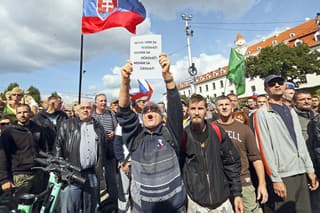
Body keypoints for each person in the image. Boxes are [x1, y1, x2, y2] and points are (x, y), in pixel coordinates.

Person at [116, 54, 186, 212]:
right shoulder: (135, 137)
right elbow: (124, 112)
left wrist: (168, 78)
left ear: (162, 118)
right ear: (141, 117)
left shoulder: (171, 133)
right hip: (143, 208)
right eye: (146, 110)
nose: (149, 112)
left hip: (175, 207)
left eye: (155, 110)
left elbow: (175, 107)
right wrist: (125, 80)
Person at [253, 74, 319, 212]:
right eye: (272, 84)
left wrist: (310, 170)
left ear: (284, 86)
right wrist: (275, 178)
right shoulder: (262, 113)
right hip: (284, 174)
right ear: (266, 89)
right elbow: (264, 148)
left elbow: (300, 142)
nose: (277, 85)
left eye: (279, 82)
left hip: (301, 170)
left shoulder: (290, 111)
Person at [182, 93, 244, 213]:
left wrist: (237, 194)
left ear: (206, 110)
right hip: (196, 203)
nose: (196, 112)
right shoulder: (184, 136)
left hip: (222, 201)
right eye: (193, 109)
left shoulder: (217, 132)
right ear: (188, 111)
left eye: (200, 108)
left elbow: (232, 163)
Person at [215, 96, 268, 213]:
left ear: (232, 107)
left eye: (227, 104)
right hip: (221, 184)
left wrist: (262, 184)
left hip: (243, 181)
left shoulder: (244, 129)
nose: (224, 107)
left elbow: (256, 159)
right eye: (220, 105)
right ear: (216, 109)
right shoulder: (210, 129)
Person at [55, 101, 107, 213]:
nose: (85, 110)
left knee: (90, 206)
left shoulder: (98, 127)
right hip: (72, 173)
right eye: (82, 108)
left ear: (92, 110)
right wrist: (60, 171)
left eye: (88, 108)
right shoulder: (67, 124)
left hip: (92, 173)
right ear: (77, 111)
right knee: (70, 207)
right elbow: (58, 147)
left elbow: (103, 149)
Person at [0, 104, 48, 210]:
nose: (22, 115)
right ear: (16, 115)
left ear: (30, 113)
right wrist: (4, 180)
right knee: (20, 208)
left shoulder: (38, 129)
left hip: (38, 174)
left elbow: (45, 151)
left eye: (25, 112)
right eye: (19, 112)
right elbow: (2, 158)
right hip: (20, 176)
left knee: (37, 207)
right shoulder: (8, 133)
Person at [293, 91, 320, 212]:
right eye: (302, 99)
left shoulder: (316, 117)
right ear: (295, 102)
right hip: (305, 164)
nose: (306, 101)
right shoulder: (292, 119)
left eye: (308, 98)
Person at [92, 93, 118, 210]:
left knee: (111, 178)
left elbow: (117, 127)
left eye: (105, 100)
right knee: (97, 179)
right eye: (101, 101)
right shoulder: (92, 115)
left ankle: (114, 203)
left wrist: (114, 133)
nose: (103, 103)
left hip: (109, 149)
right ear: (96, 103)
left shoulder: (111, 113)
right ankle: (97, 203)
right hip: (96, 150)